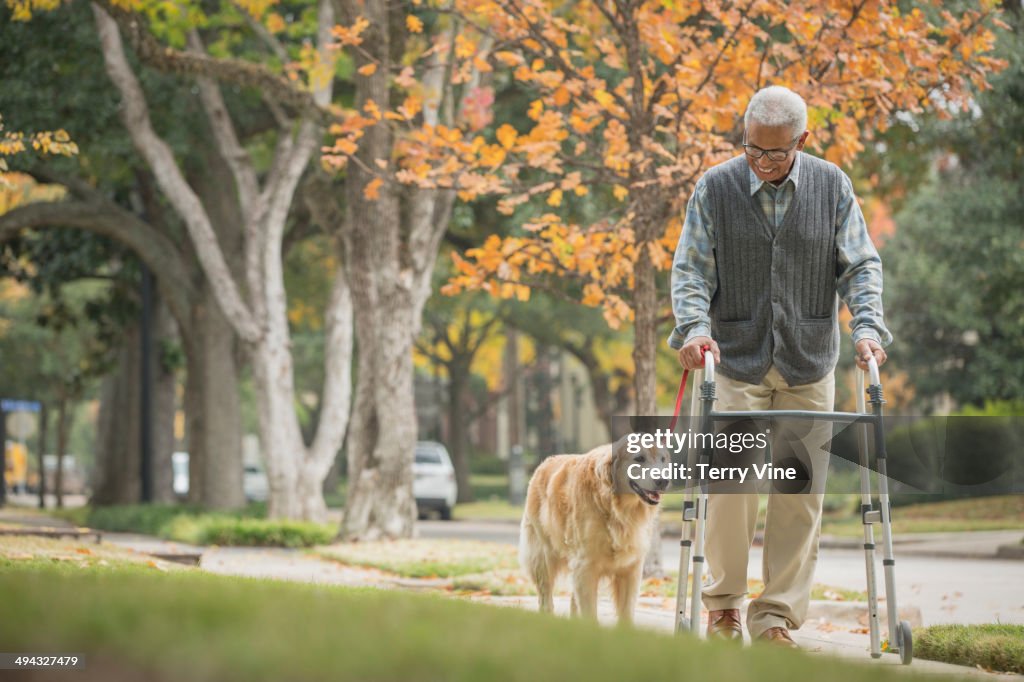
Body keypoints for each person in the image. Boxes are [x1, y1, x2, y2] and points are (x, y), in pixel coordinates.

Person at [667, 85, 891, 648]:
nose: (763, 163)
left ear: (802, 140)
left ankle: (776, 620)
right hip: (735, 362)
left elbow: (860, 265)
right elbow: (690, 270)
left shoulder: (832, 184)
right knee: (731, 490)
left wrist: (867, 328)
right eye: (752, 150)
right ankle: (724, 608)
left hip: (808, 359)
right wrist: (695, 330)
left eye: (775, 153)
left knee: (799, 495)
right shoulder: (715, 188)